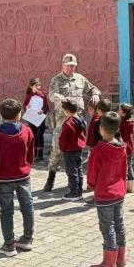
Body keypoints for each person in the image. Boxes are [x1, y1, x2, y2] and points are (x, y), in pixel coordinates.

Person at [0, 98, 36, 257]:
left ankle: (9, 245)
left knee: (6, 211)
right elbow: (31, 153)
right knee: (27, 207)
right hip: (23, 176)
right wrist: (27, 166)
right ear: (19, 115)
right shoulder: (27, 131)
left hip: (3, 179)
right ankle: (27, 239)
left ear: (1, 115)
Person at [45, 53, 101, 191]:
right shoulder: (56, 80)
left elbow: (93, 88)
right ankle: (51, 177)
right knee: (57, 149)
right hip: (62, 122)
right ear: (63, 65)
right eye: (68, 66)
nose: (71, 68)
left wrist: (95, 94)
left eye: (73, 66)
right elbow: (52, 95)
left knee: (77, 149)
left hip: (78, 122)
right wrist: (62, 99)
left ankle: (76, 180)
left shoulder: (80, 79)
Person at [86, 111, 128, 267]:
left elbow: (92, 173)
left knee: (107, 227)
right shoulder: (122, 147)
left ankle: (109, 263)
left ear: (101, 129)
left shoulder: (98, 150)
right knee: (119, 224)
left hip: (104, 194)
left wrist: (91, 185)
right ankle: (120, 258)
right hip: (119, 192)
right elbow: (124, 169)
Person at [58, 99, 87, 201]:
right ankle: (79, 190)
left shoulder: (68, 123)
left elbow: (63, 139)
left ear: (67, 111)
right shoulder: (81, 120)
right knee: (79, 170)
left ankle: (74, 193)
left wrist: (62, 148)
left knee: (71, 172)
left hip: (69, 150)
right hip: (79, 148)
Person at [23, 78, 50, 162]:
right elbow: (24, 105)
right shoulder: (28, 95)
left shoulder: (42, 94)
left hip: (40, 118)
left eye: (39, 85)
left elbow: (47, 107)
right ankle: (33, 154)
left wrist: (43, 111)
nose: (38, 87)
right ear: (31, 86)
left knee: (39, 135)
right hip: (32, 118)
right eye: (36, 86)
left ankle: (40, 155)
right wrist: (26, 107)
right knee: (33, 135)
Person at [118, 103, 134, 193]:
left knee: (124, 167)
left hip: (124, 147)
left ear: (124, 113)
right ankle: (131, 186)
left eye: (119, 110)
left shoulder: (123, 122)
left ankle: (123, 185)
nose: (118, 111)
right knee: (129, 166)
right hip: (130, 146)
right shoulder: (131, 121)